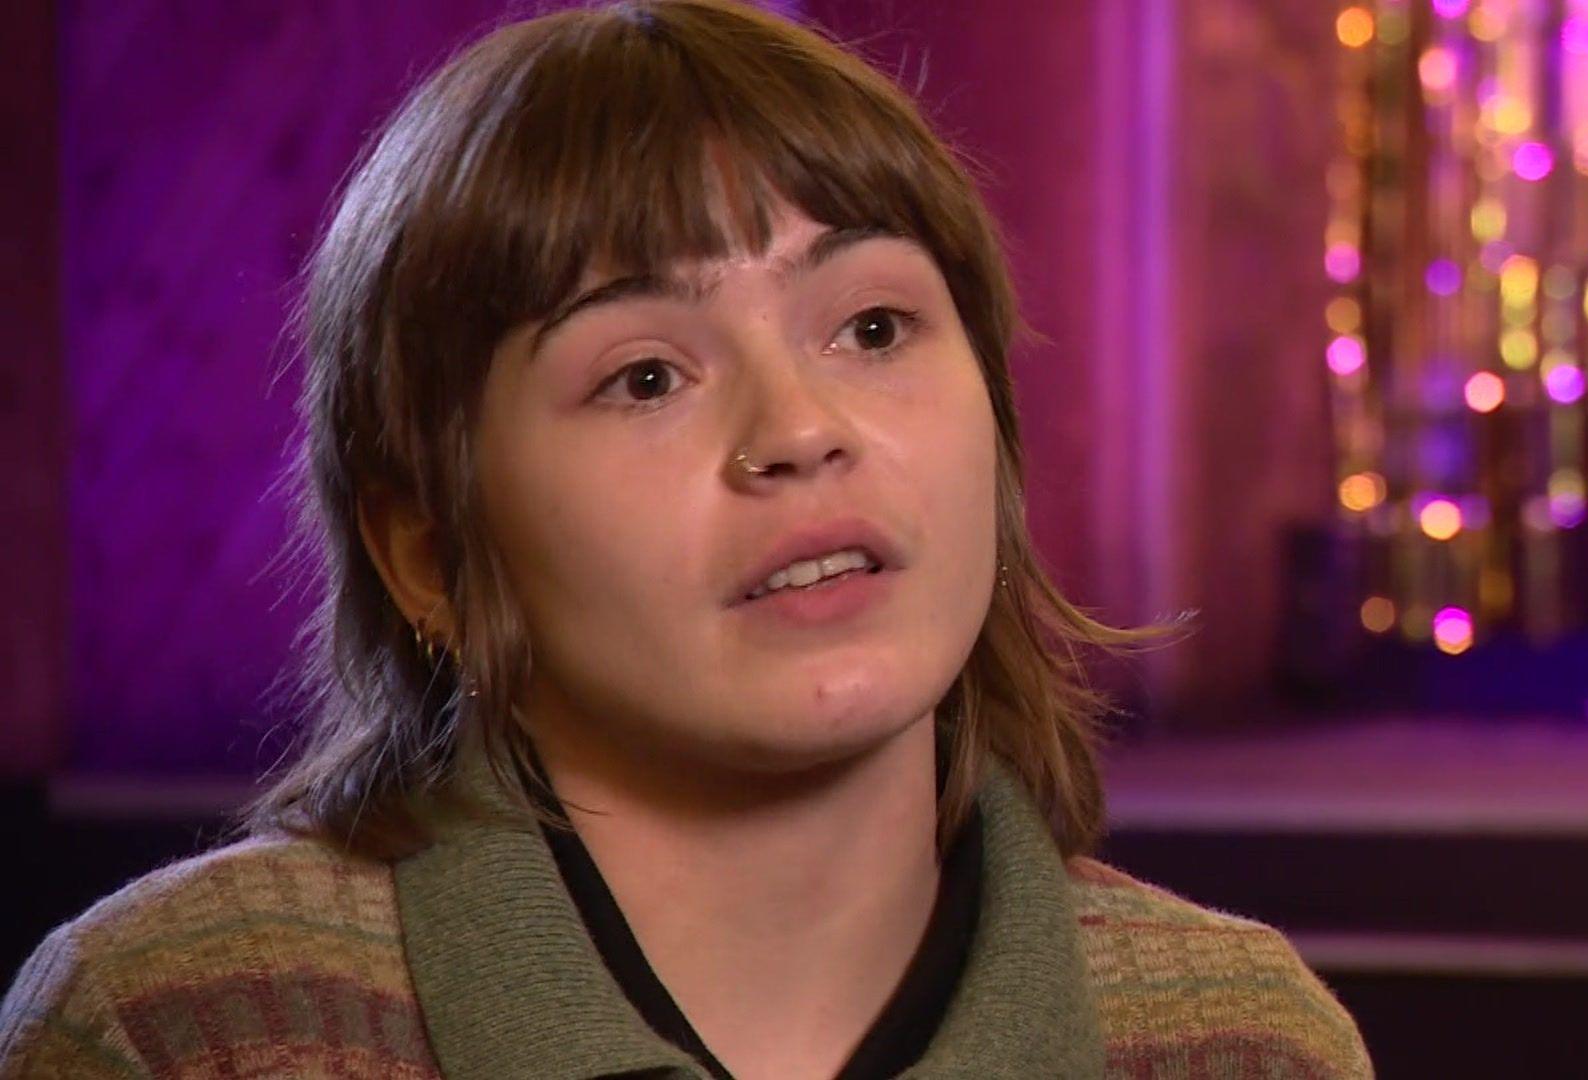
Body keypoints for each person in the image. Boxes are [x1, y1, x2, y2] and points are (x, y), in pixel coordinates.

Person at [0, 2, 1372, 1076]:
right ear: (427, 555)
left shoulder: (1234, 1041)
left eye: (874, 328)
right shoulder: (192, 1026)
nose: (802, 430)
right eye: (646, 375)